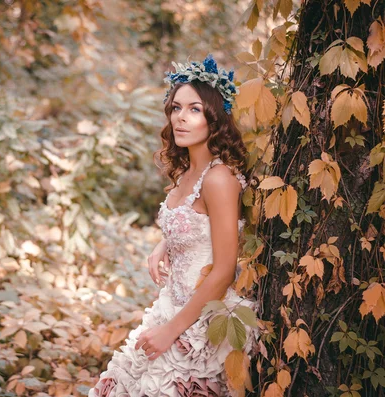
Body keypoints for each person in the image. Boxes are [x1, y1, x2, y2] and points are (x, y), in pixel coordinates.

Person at [89, 55, 258, 397]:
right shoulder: (187, 173)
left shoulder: (219, 178)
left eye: (194, 109)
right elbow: (194, 225)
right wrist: (164, 243)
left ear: (215, 118)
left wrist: (172, 331)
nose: (181, 117)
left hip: (201, 318)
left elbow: (224, 270)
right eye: (176, 107)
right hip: (171, 303)